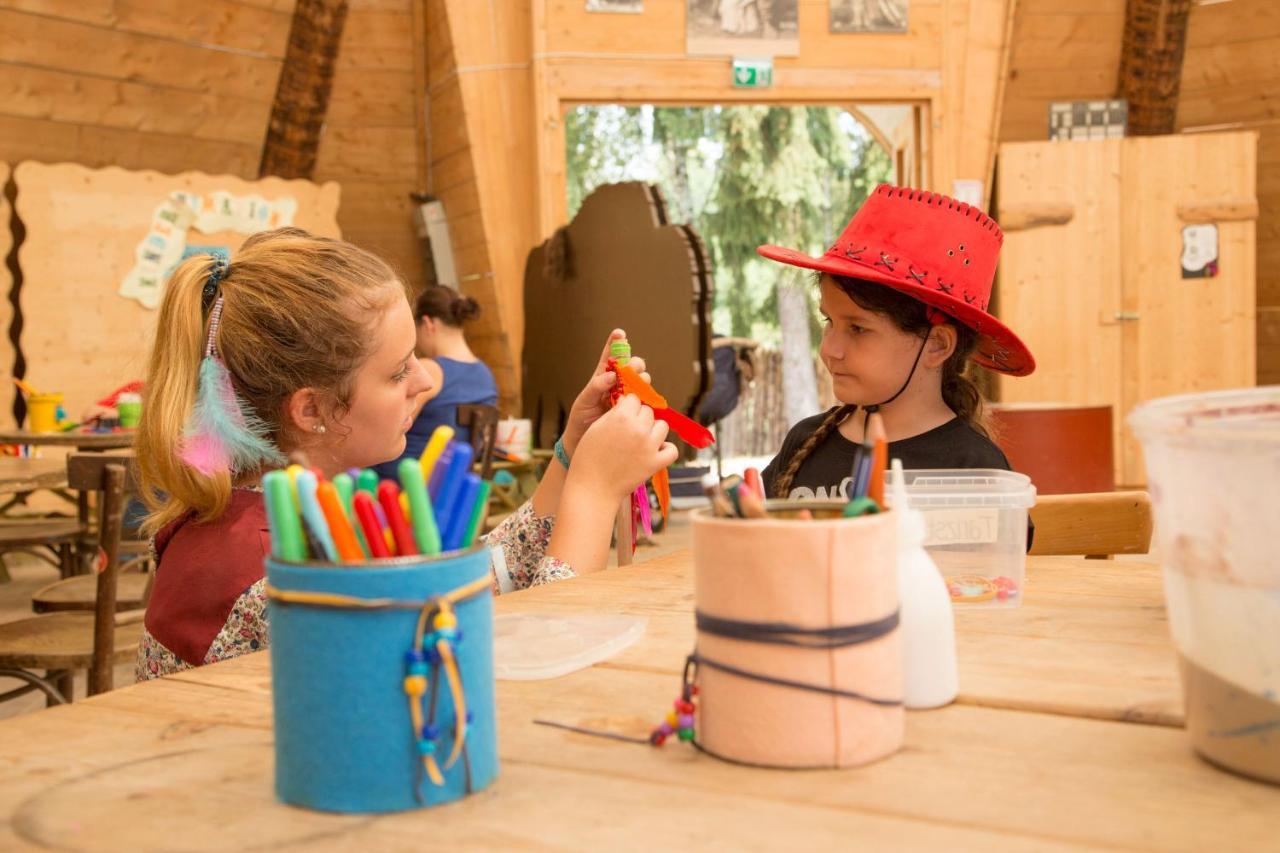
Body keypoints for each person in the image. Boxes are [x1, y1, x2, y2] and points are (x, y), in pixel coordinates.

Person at [135, 228, 675, 680]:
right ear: (313, 409)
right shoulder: (279, 574)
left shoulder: (301, 515)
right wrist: (593, 492)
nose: (424, 380)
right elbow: (500, 680)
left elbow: (455, 586)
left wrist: (570, 453)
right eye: (397, 371)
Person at [759, 184, 1036, 500]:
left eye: (858, 329)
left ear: (937, 346)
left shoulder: (976, 468)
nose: (829, 350)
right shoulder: (805, 444)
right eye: (829, 322)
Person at [372, 284, 497, 481]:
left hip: (407, 486)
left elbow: (388, 430)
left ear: (428, 324)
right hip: (453, 487)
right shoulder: (486, 375)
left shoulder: (430, 369)